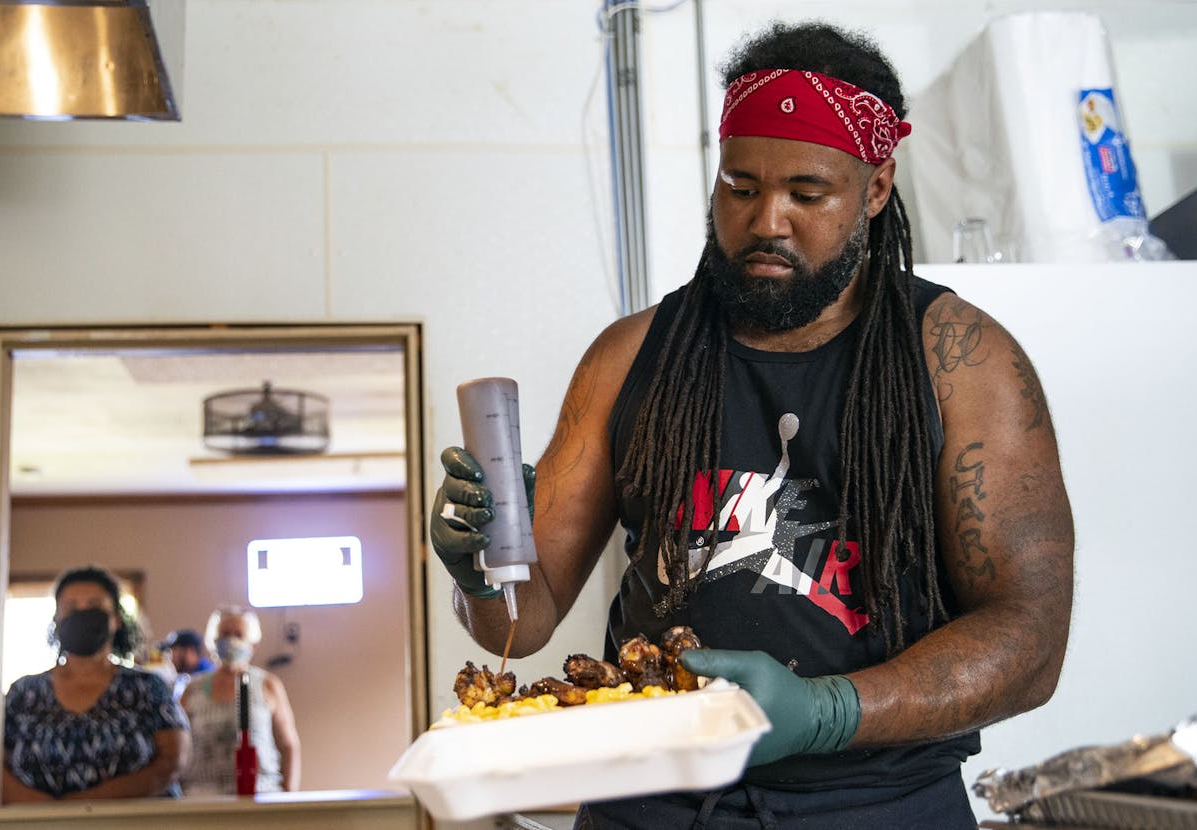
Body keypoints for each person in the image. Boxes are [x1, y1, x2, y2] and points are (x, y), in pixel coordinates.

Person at [430, 20, 1074, 828]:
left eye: (807, 194)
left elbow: (1032, 639)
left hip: (879, 804)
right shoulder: (629, 358)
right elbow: (519, 628)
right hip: (651, 806)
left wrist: (827, 709)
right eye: (740, 187)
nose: (768, 220)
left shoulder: (961, 362)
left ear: (875, 190)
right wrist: (480, 572)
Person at [2, 566, 191, 803]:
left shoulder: (147, 687)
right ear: (57, 619)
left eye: (94, 606)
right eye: (70, 608)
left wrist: (85, 807)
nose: (82, 615)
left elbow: (173, 761)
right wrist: (47, 813)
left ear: (117, 619)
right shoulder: (24, 692)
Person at [179, 606, 301, 794]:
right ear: (213, 640)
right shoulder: (193, 689)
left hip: (261, 795)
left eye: (239, 635)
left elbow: (288, 746)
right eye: (225, 634)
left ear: (252, 644)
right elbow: (178, 746)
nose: (231, 640)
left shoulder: (268, 685)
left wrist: (288, 796)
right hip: (203, 797)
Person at [161, 628, 214, 701]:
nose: (171, 659)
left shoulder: (208, 678)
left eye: (174, 651)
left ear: (191, 651)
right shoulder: (183, 678)